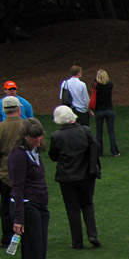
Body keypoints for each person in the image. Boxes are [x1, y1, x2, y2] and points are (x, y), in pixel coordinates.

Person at [8, 118, 56, 259]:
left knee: (40, 248)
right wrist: (19, 218)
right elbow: (17, 188)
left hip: (39, 206)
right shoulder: (18, 156)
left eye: (39, 136)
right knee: (32, 250)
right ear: (24, 137)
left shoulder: (33, 151)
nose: (37, 140)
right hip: (28, 207)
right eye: (33, 137)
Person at [49, 105, 102, 249]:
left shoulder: (57, 136)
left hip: (67, 178)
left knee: (73, 210)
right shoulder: (85, 131)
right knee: (88, 204)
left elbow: (53, 156)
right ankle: (93, 235)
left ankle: (77, 241)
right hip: (86, 175)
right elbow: (95, 146)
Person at [1, 96, 24, 248]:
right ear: (19, 109)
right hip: (24, 172)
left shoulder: (1, 127)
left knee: (5, 207)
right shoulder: (26, 126)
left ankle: (7, 236)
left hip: (4, 173)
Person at [91, 69, 120, 157]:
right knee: (111, 131)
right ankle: (114, 151)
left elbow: (94, 84)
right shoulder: (110, 85)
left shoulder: (96, 86)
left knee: (99, 132)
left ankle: (99, 152)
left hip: (99, 110)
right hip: (109, 109)